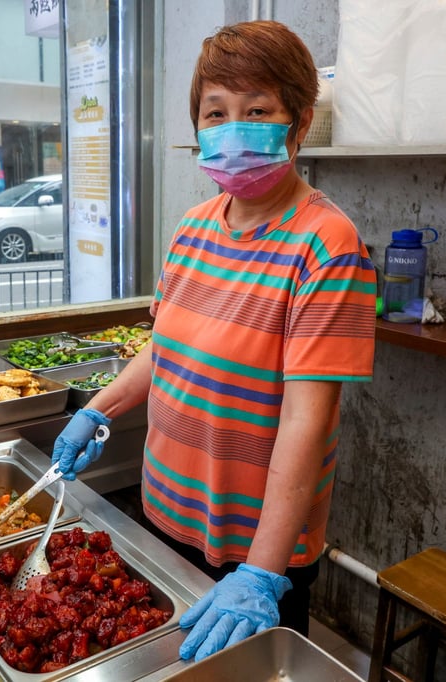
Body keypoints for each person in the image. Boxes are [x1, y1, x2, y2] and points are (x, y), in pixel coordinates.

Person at [52, 20, 376, 662]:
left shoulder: (328, 245)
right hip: (165, 511)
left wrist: (262, 572)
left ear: (299, 124)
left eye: (257, 111)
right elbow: (166, 347)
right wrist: (98, 409)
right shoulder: (192, 227)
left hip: (256, 548)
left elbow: (307, 420)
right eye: (216, 112)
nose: (233, 128)